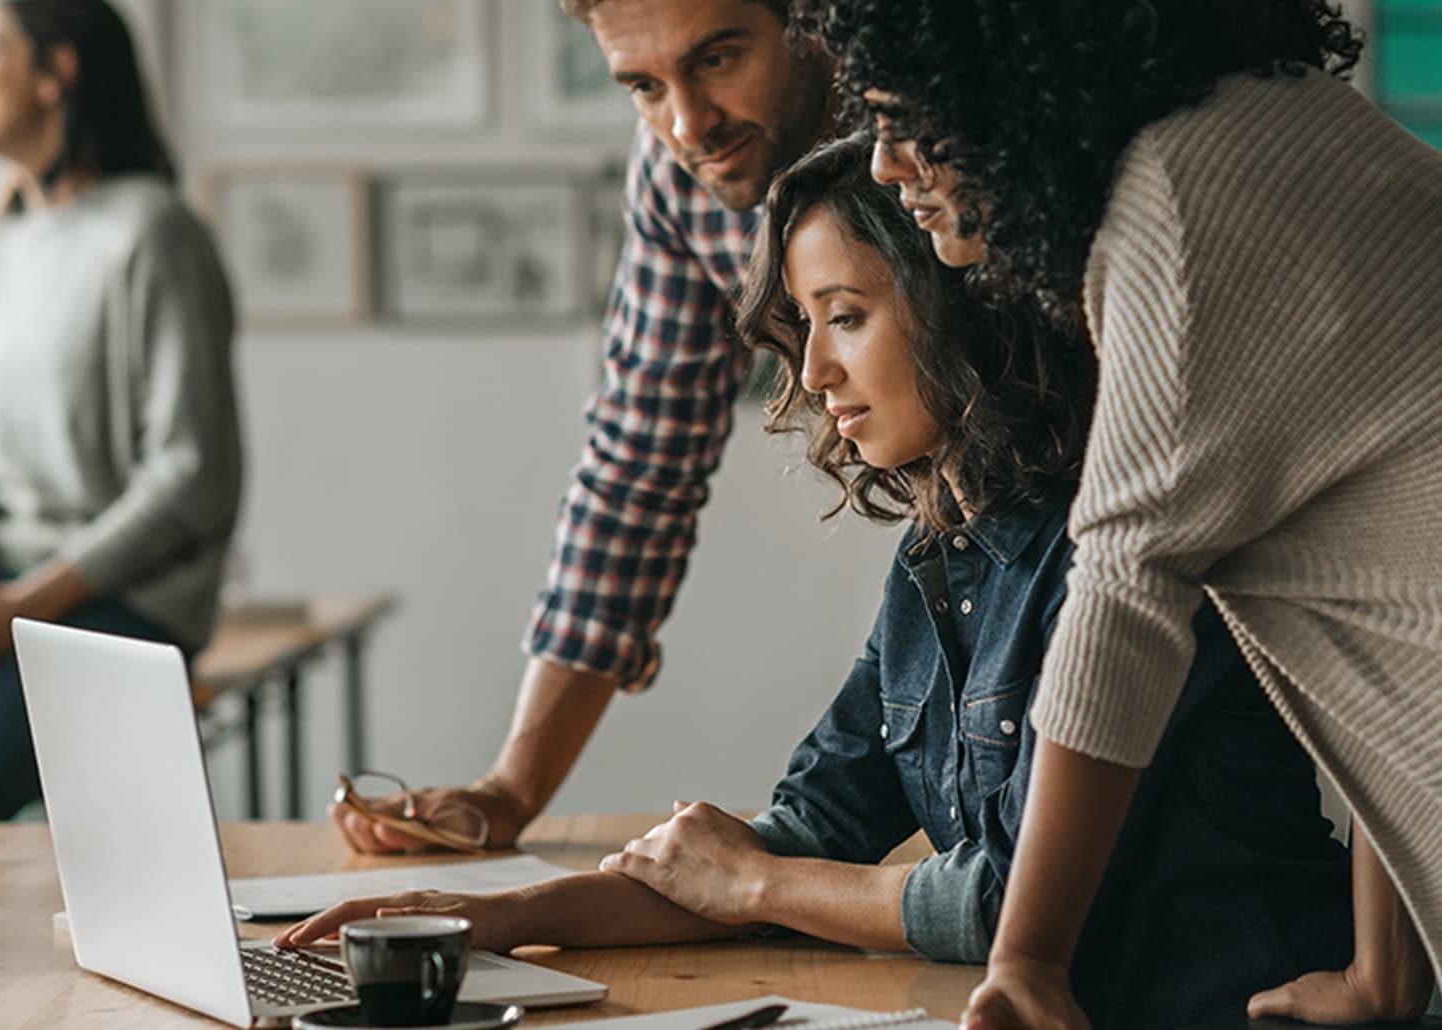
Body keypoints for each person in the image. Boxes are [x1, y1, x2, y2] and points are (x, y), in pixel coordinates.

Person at [282, 136, 1353, 1029]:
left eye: (844, 316)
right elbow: (796, 839)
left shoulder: (1117, 550)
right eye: (803, 331)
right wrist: (487, 921)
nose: (812, 375)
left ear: (964, 304)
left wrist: (753, 883)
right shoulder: (935, 561)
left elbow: (1009, 899)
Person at [801, 0, 1442, 1025]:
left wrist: (1028, 961)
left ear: (1008, 67)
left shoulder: (1176, 213)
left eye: (903, 114)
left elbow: (1123, 606)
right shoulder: (1279, 125)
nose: (884, 164)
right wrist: (1385, 975)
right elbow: (1383, 596)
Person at [331, 0, 837, 856]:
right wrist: (507, 794)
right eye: (644, 86)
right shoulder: (682, 173)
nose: (687, 124)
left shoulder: (956, 128)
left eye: (716, 60)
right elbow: (639, 465)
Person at [0, 0, 242, 836]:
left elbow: (191, 477)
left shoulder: (155, 235)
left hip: (115, 611)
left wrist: (19, 605)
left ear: (58, 73)